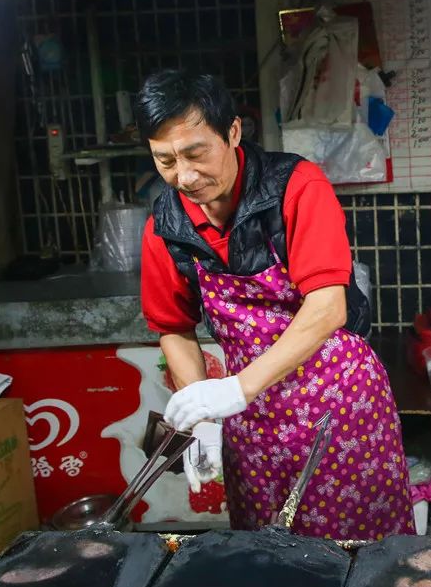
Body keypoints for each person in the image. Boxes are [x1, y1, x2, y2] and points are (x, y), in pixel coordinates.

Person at [136, 70, 414, 540]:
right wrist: (202, 412)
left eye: (195, 153)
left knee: (360, 548)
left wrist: (236, 390)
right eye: (165, 161)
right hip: (251, 422)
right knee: (270, 552)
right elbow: (174, 326)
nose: (183, 176)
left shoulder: (297, 187)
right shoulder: (163, 229)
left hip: (338, 406)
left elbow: (328, 308)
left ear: (234, 133)